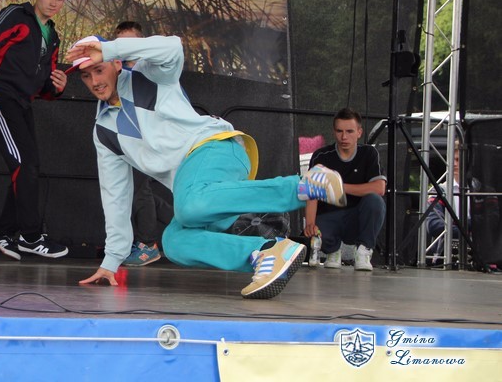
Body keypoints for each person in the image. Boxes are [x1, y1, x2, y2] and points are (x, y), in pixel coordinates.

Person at [66, 35, 346, 299]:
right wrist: (111, 261)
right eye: (86, 76)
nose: (95, 82)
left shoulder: (148, 75)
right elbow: (115, 194)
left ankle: (303, 186)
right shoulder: (103, 131)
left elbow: (172, 47)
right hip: (195, 186)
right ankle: (265, 252)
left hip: (216, 149)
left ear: (116, 63)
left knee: (188, 207)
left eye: (99, 70)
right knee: (174, 242)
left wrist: (110, 48)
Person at [0, 0, 71, 260]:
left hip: (23, 103)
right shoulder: (16, 14)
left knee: (28, 167)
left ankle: (5, 234)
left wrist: (58, 87)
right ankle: (30, 236)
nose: (53, 3)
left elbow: (46, 88)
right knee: (24, 165)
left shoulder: (53, 36)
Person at [113, 21, 173, 266]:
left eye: (131, 42)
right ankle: (185, 222)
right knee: (138, 191)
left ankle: (147, 245)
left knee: (139, 190)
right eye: (121, 43)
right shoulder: (117, 72)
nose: (126, 48)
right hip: (127, 138)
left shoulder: (151, 68)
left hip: (150, 137)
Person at [306, 108, 387, 271]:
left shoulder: (369, 153)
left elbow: (379, 188)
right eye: (339, 131)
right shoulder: (321, 156)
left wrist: (338, 187)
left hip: (356, 218)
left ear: (359, 132)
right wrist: (310, 224)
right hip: (329, 217)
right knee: (316, 225)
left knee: (375, 201)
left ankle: (363, 251)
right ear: (334, 132)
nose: (344, 137)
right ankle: (332, 251)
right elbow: (311, 193)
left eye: (349, 131)